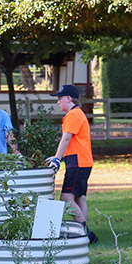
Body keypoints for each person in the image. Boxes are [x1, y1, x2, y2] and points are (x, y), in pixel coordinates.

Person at [44, 84, 97, 244]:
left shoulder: (74, 115)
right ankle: (84, 233)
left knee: (67, 197)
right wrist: (57, 156)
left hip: (77, 162)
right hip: (82, 161)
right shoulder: (77, 114)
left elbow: (66, 139)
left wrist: (57, 159)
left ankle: (85, 233)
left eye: (60, 98)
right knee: (79, 197)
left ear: (68, 98)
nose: (58, 102)